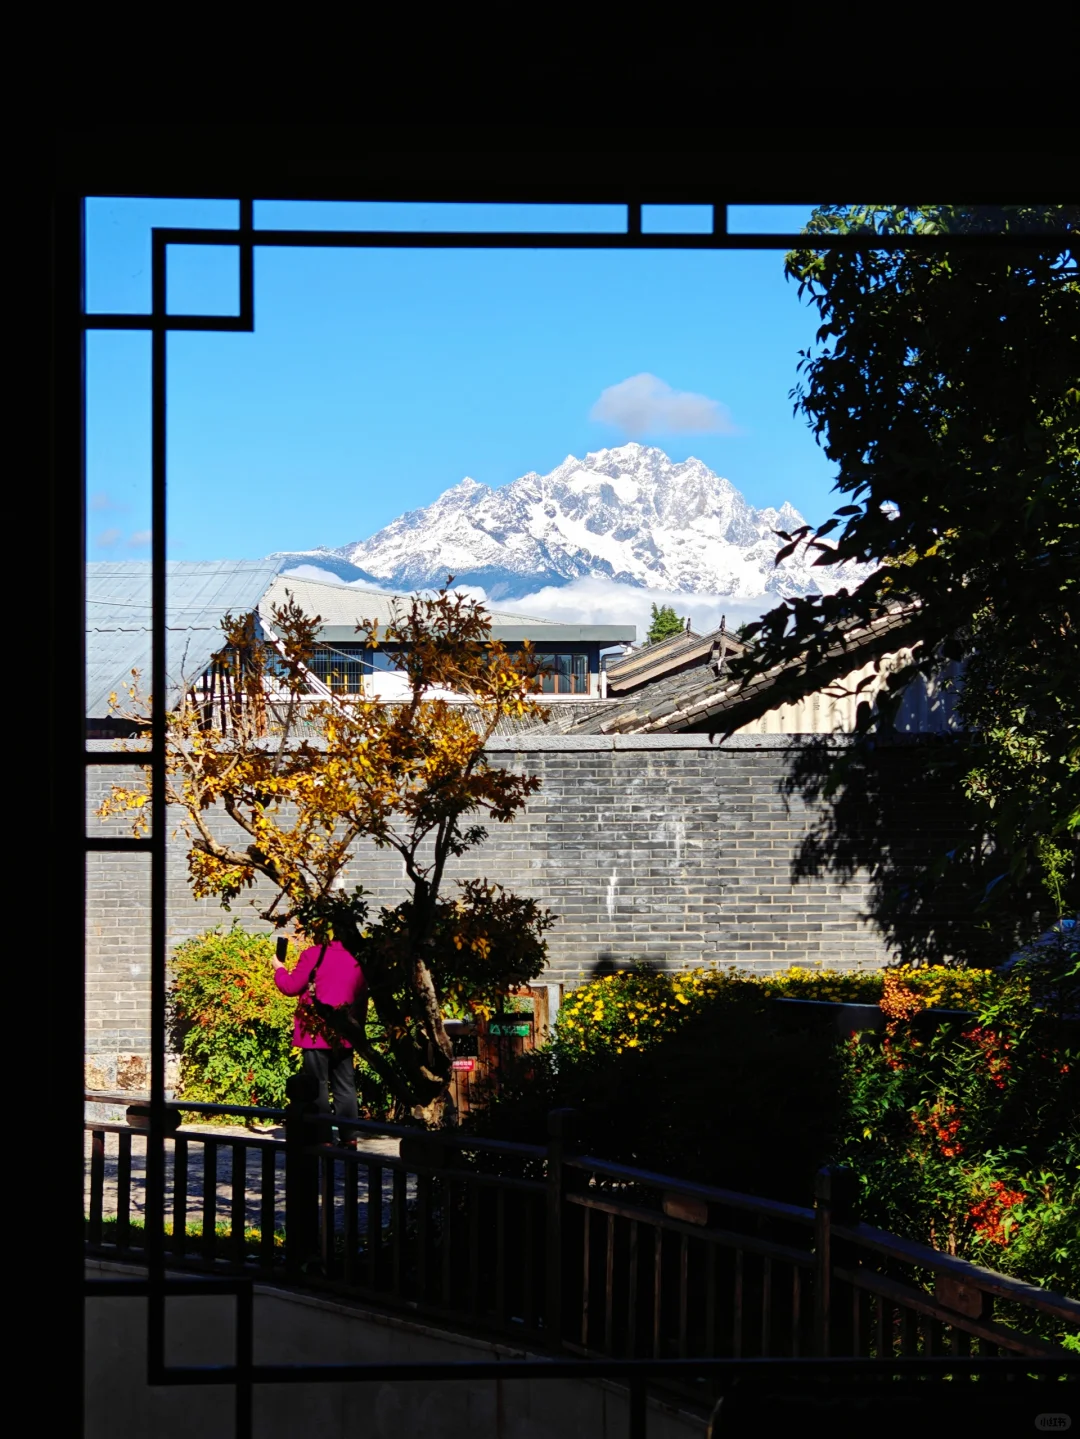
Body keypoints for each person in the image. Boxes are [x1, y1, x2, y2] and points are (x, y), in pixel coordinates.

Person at [272, 935, 368, 1147]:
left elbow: (290, 987)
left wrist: (279, 968)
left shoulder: (313, 955)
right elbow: (362, 998)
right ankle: (349, 1136)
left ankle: (323, 1137)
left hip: (315, 1033)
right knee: (345, 1086)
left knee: (318, 1086)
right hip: (344, 1031)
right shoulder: (357, 958)